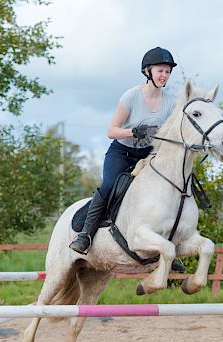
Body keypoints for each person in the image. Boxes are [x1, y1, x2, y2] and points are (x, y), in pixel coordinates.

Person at [69, 47, 178, 256]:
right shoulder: (131, 96)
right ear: (148, 71)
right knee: (109, 186)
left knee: (164, 190)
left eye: (167, 71)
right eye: (160, 71)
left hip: (148, 155)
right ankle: (85, 235)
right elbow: (111, 131)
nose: (164, 75)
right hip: (122, 153)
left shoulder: (171, 103)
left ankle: (165, 245)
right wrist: (133, 132)